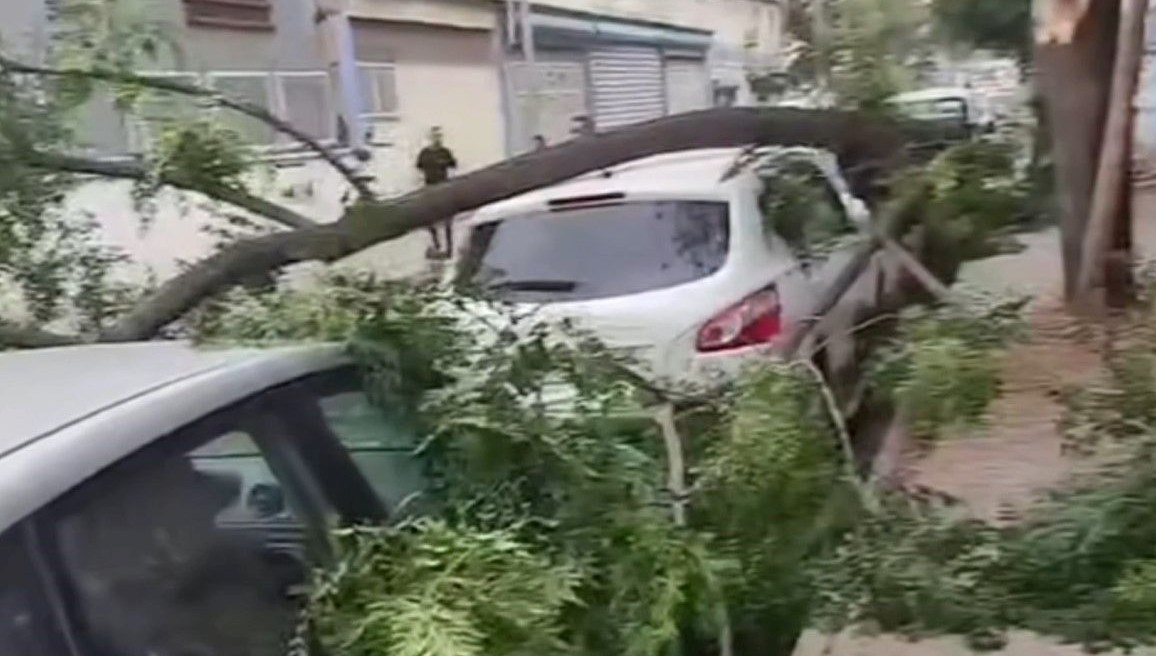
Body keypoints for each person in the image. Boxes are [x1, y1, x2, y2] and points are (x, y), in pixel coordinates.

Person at [415, 126, 458, 259]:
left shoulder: (445, 152)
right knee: (430, 219)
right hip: (430, 186)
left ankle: (450, 248)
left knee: (447, 219)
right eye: (435, 136)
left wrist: (446, 162)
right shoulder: (425, 153)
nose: (437, 139)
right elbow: (419, 167)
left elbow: (453, 164)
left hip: (443, 186)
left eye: (439, 136)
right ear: (431, 138)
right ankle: (436, 243)